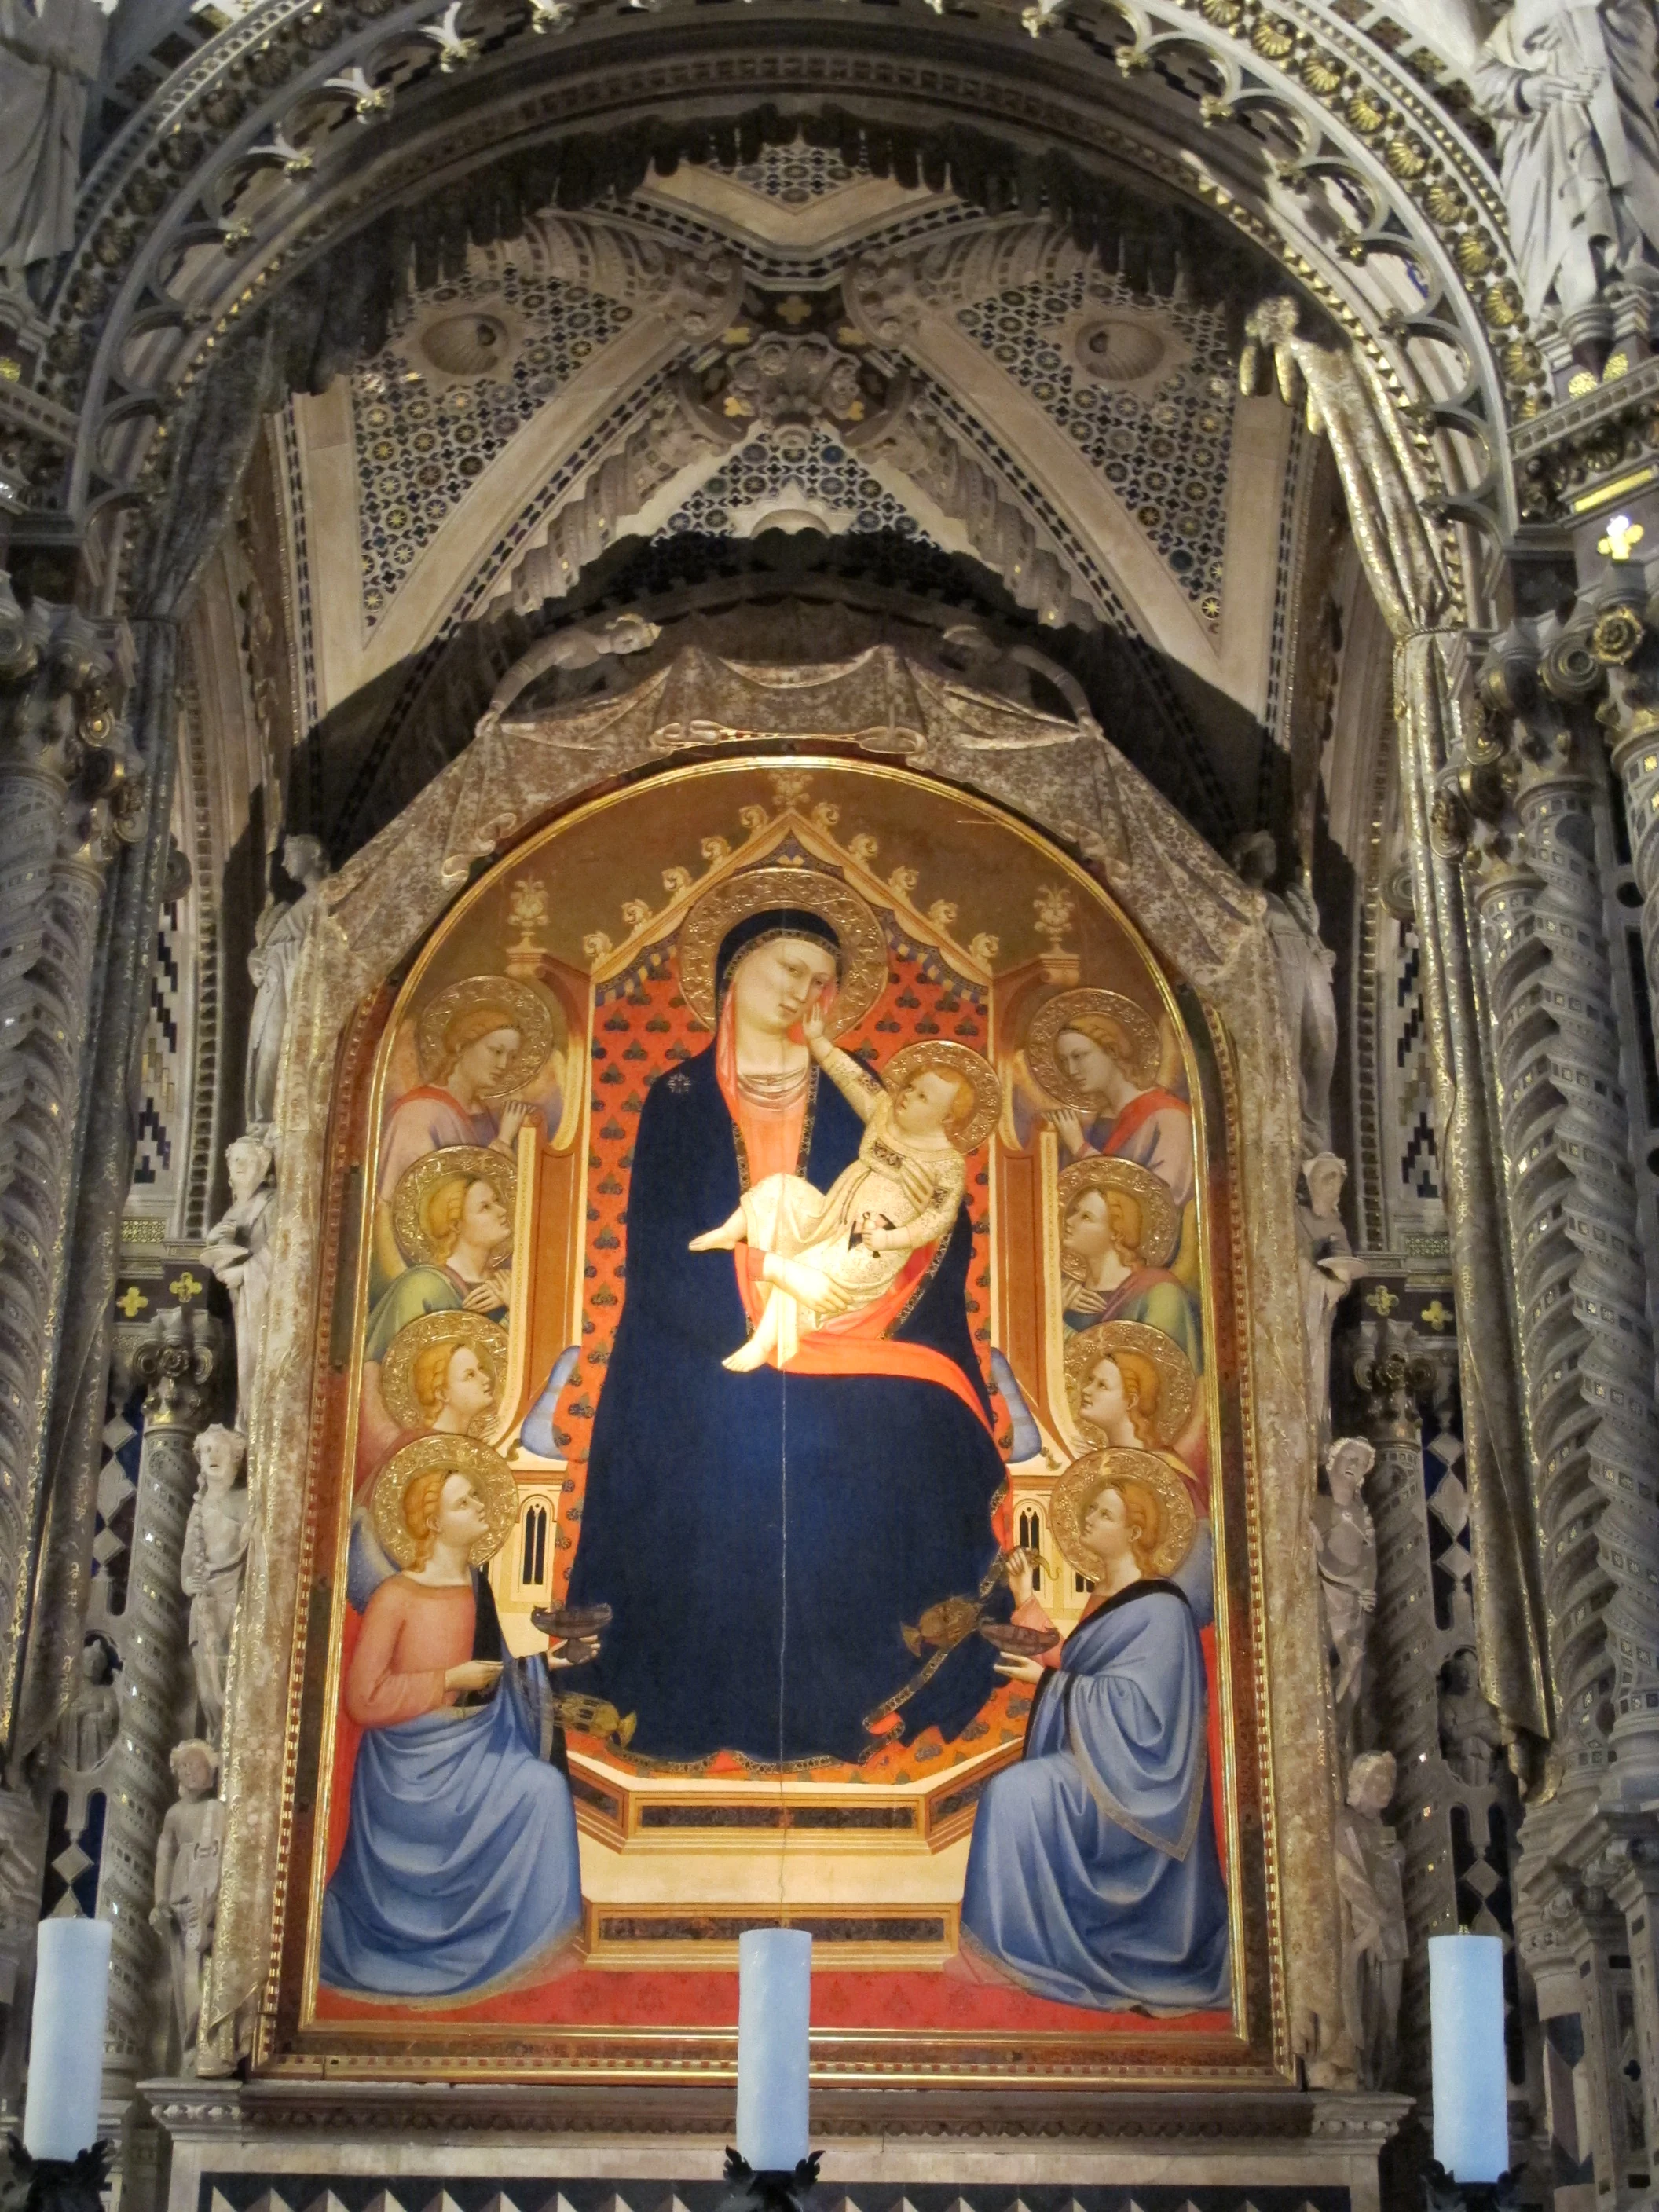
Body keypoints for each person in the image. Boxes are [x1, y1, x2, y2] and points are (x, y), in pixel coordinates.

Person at [566, 872, 1010, 1765]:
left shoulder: (873, 1098)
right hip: (700, 1345)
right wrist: (754, 1302)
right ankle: (690, 1704)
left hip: (855, 1327)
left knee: (895, 1425)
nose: (803, 988)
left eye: (819, 976)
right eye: (788, 965)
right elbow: (657, 1246)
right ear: (735, 972)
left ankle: (855, 1697)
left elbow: (937, 1233)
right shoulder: (679, 1098)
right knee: (702, 1438)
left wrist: (852, 1305)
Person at [958, 1448, 1229, 2013]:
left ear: (1135, 1529)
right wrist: (1029, 1599)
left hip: (1138, 1789)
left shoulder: (1164, 1608)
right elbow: (1076, 1662)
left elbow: (1145, 1713)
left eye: (1102, 1514)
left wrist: (1052, 1684)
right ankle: (1013, 1951)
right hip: (1100, 1766)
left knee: (1013, 1795)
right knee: (1014, 1793)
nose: (1088, 1522)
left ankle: (1026, 1951)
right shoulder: (1106, 1600)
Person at [320, 1444, 585, 1997]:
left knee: (544, 1790)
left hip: (475, 1753)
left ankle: (527, 1944)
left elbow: (497, 1673)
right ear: (433, 1521)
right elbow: (362, 1700)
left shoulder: (476, 1588)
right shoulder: (396, 1597)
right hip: (410, 1775)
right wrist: (446, 1681)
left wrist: (553, 1660)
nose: (482, 1509)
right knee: (539, 1790)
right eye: (466, 1503)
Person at [690, 1011, 995, 1372]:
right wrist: (819, 1042)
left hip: (869, 1243)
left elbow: (938, 1219)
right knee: (782, 1188)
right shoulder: (885, 1115)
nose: (907, 1096)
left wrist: (892, 1239)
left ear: (946, 1118)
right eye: (910, 1087)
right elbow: (855, 1082)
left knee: (803, 1269)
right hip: (833, 1215)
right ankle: (729, 1233)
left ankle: (762, 1343)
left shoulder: (946, 1163)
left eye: (923, 1097)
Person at [373, 973, 556, 1292]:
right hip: (435, 1280)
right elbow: (394, 1213)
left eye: (511, 1057)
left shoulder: (488, 1115)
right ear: (461, 1046)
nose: (504, 1064)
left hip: (479, 1276)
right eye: (496, 1050)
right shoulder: (419, 1115)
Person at [1024, 991, 1194, 1207]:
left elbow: (1158, 1201)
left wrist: (1080, 1149)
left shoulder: (1169, 1117)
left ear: (1112, 1051)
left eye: (1079, 1056)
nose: (1071, 1070)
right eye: (1063, 1061)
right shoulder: (1102, 1121)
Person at [364, 1150, 514, 1358]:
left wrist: (516, 1303)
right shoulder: (422, 1287)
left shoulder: (509, 1284)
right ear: (456, 1226)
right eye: (485, 1207)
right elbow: (402, 1366)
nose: (502, 1211)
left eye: (497, 1201)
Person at [1057, 1165, 1203, 1368]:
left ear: (1116, 1233)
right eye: (1074, 1212)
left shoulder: (1160, 1293)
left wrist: (1059, 1327)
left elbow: (1143, 1373)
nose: (1069, 1221)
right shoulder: (1066, 1293)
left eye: (1086, 1217)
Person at [150, 1739, 225, 2065]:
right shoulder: (174, 1815)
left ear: (210, 1772)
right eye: (184, 1767)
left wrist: (212, 1905)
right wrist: (160, 1900)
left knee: (201, 1970)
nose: (190, 1772)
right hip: (180, 1900)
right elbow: (164, 1857)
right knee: (184, 1974)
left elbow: (225, 1857)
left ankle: (204, 2040)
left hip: (207, 1900)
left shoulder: (218, 1811)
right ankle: (190, 2040)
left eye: (196, 1766)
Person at [181, 1426, 250, 1746]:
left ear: (236, 1457)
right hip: (205, 1605)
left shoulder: (245, 1501)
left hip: (234, 1597)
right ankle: (220, 1743)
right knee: (208, 1692)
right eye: (206, 1451)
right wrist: (189, 1583)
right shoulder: (198, 1510)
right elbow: (186, 1567)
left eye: (219, 1450)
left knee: (232, 1678)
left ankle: (233, 1744)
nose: (212, 1457)